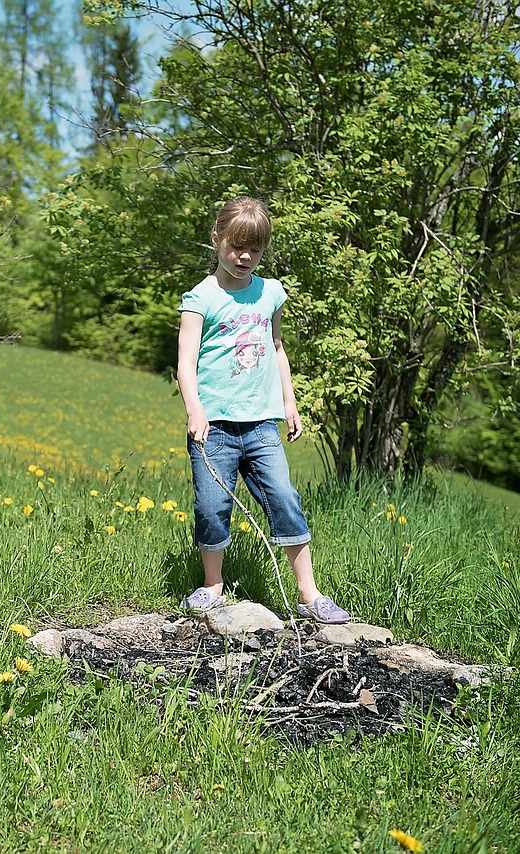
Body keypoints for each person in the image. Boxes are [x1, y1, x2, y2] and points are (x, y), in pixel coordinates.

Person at [176, 196, 350, 624]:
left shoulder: (270, 292)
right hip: (213, 426)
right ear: (216, 240)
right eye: (237, 246)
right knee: (212, 505)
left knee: (284, 498)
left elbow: (276, 348)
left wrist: (288, 403)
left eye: (254, 249)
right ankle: (212, 584)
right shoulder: (201, 298)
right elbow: (184, 363)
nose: (245, 256)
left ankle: (309, 594)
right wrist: (195, 410)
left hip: (260, 425)